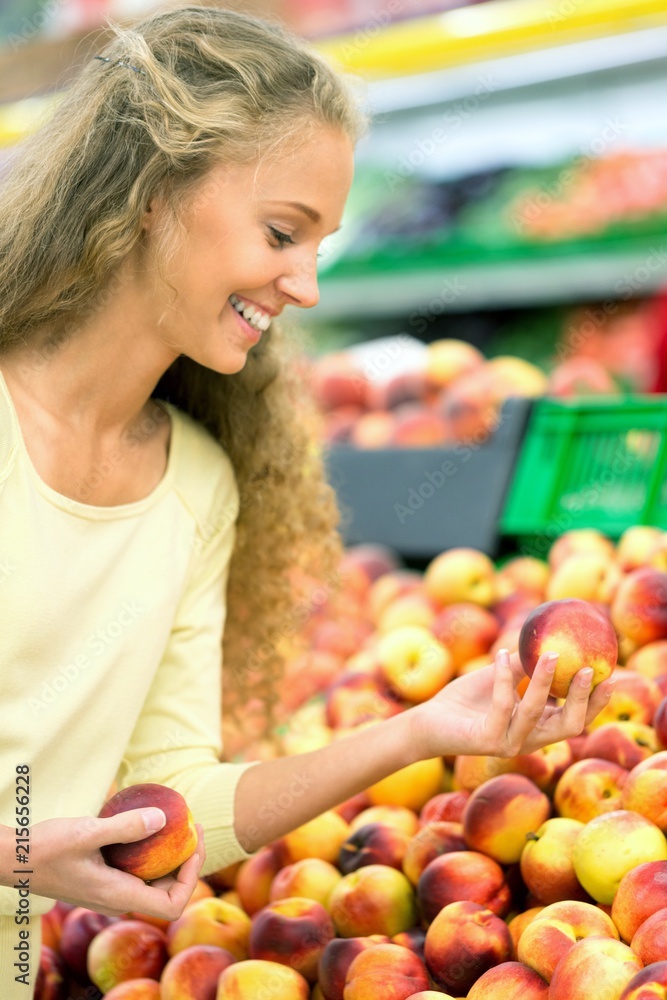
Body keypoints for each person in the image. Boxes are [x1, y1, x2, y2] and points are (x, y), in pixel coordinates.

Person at [0, 5, 615, 994]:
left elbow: (172, 796)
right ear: (154, 191)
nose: (310, 286)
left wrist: (419, 731)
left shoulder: (194, 485)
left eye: (320, 243)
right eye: (284, 232)